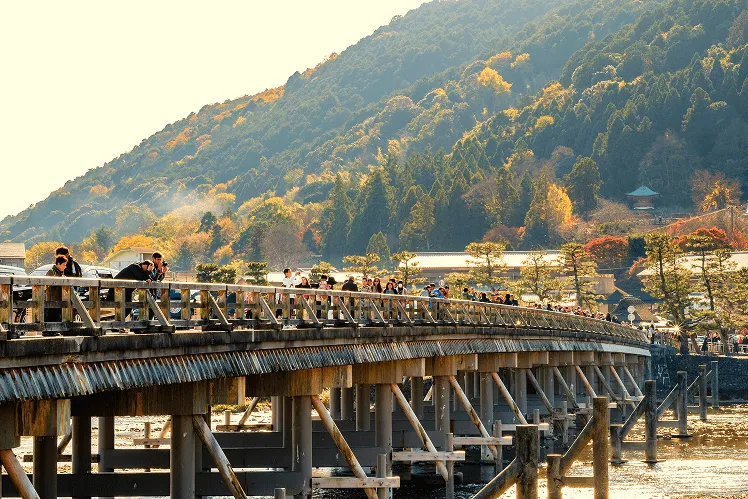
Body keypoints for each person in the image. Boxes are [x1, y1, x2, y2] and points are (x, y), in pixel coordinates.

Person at [43, 255, 68, 331]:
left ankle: (55, 331)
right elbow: (46, 286)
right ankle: (49, 331)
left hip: (59, 301)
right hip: (51, 301)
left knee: (57, 318)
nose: (65, 267)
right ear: (58, 264)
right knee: (50, 317)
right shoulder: (51, 272)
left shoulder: (61, 274)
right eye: (64, 265)